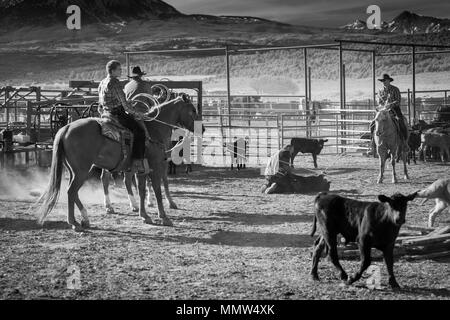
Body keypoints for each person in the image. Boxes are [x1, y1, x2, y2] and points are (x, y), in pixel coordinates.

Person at [98, 60, 150, 174]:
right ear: (112, 71)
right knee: (139, 131)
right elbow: (125, 107)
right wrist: (138, 114)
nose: (121, 71)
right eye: (119, 69)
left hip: (106, 113)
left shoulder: (102, 82)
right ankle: (136, 162)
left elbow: (101, 103)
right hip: (117, 114)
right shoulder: (115, 82)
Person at [371, 74, 408, 141]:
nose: (383, 82)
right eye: (382, 81)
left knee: (401, 121)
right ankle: (373, 142)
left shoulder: (395, 89)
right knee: (373, 123)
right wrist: (380, 106)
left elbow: (398, 101)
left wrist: (390, 105)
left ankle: (404, 141)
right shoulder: (380, 91)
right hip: (383, 110)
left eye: (384, 80)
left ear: (389, 80)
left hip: (394, 109)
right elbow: (379, 101)